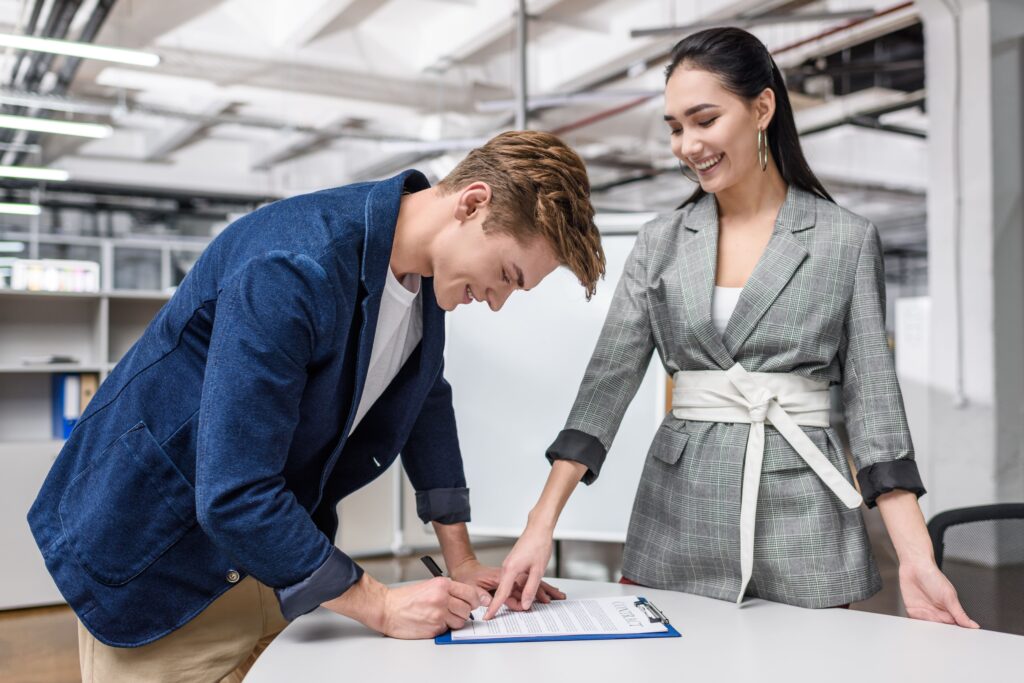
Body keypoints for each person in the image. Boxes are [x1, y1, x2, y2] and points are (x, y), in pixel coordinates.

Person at [28, 130, 606, 681]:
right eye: (506, 275)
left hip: (272, 554)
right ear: (472, 204)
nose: (499, 302)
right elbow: (233, 490)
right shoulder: (294, 263)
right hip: (160, 554)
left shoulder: (424, 279)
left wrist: (461, 561)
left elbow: (425, 399)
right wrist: (379, 604)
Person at [485, 28, 978, 629]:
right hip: (676, 513)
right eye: (674, 127)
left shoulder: (844, 241)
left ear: (762, 108)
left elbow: (877, 411)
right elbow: (604, 390)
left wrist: (917, 558)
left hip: (805, 517)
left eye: (704, 119)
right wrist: (540, 527)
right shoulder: (659, 243)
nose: (687, 144)